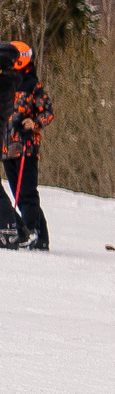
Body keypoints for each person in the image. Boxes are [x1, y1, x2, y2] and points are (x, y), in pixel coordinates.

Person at [1, 40, 55, 251]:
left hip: (26, 146)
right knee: (17, 193)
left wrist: (34, 122)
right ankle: (37, 235)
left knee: (27, 193)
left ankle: (34, 232)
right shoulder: (6, 81)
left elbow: (48, 111)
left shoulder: (32, 85)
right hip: (7, 147)